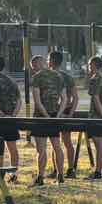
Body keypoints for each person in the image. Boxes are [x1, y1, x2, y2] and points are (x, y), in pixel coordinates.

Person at [27, 53, 66, 186]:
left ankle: (40, 177)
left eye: (34, 66)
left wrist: (46, 116)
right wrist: (57, 115)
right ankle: (61, 175)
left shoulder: (37, 77)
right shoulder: (58, 76)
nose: (33, 69)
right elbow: (64, 99)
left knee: (41, 150)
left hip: (41, 117)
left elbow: (37, 101)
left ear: (38, 64)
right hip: (55, 115)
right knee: (57, 147)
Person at [50, 50, 81, 179]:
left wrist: (69, 114)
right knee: (65, 142)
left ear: (51, 61)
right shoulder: (67, 77)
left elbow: (75, 98)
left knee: (56, 142)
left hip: (55, 112)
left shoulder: (49, 76)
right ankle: (68, 169)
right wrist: (70, 114)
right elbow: (76, 98)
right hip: (65, 111)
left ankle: (59, 170)